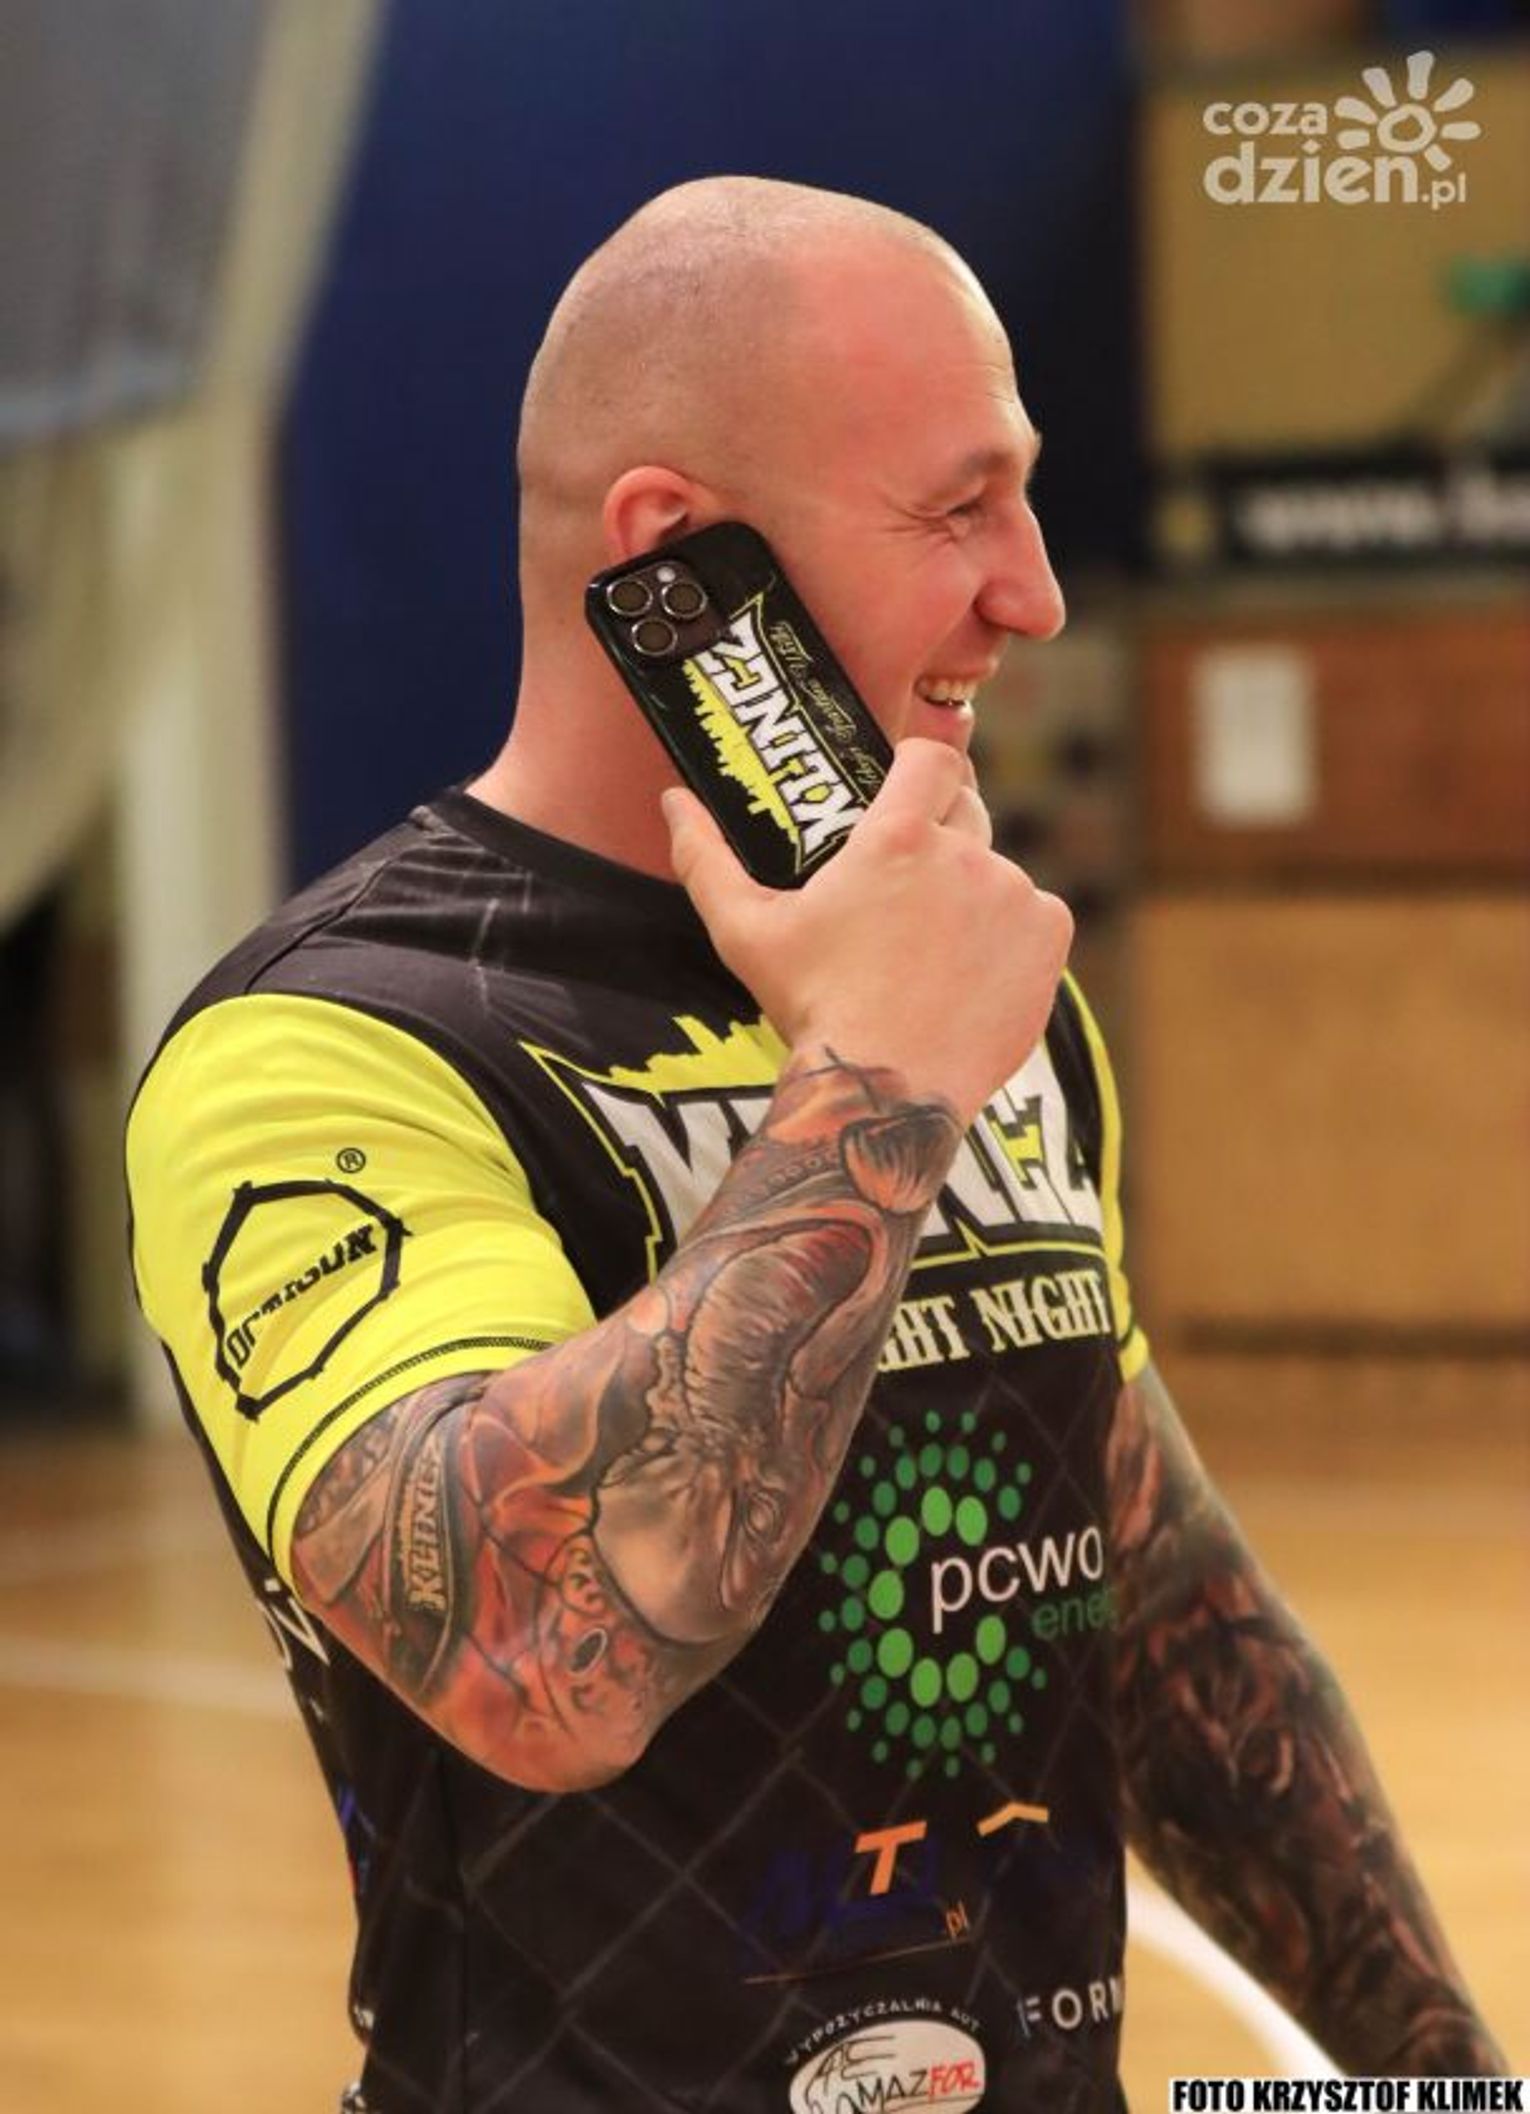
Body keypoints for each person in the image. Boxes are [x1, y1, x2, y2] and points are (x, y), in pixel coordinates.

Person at [124, 178, 1506, 2111]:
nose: (1032, 592)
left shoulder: (967, 990)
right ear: (673, 556)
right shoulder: (332, 1042)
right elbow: (534, 1655)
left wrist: (1441, 2080)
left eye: (1024, 499)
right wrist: (875, 1069)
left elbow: (1169, 1623)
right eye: (957, 510)